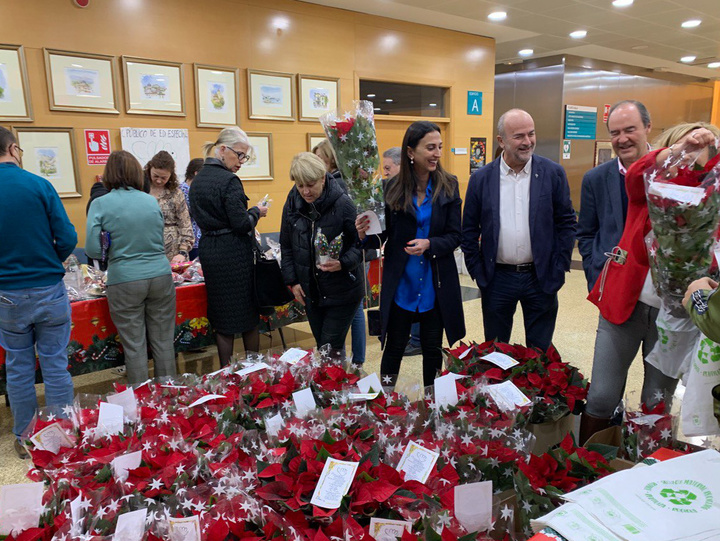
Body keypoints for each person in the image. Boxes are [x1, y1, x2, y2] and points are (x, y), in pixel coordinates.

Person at [582, 122, 719, 442]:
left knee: (656, 402)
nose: (692, 156)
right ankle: (588, 468)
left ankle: (640, 470)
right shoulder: (648, 188)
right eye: (685, 149)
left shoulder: (710, 202)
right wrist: (676, 151)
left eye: (700, 151)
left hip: (675, 318)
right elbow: (633, 174)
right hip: (623, 307)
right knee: (601, 396)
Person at [357, 121, 465, 388]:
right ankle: (385, 402)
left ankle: (432, 402)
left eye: (439, 147)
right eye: (430, 147)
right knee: (393, 347)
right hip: (401, 283)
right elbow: (379, 236)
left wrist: (430, 243)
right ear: (410, 152)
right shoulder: (390, 188)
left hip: (435, 283)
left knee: (432, 348)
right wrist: (362, 233)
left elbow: (455, 235)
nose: (437, 153)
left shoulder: (449, 185)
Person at [461, 108, 576, 351]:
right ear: (501, 140)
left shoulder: (552, 173)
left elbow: (566, 222)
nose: (527, 142)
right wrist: (479, 274)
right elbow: (469, 230)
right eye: (519, 136)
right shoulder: (481, 179)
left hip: (541, 277)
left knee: (540, 350)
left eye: (531, 134)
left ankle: (535, 391)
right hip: (497, 279)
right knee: (496, 351)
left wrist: (559, 266)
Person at [0, 126, 77, 459]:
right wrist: (50, 262)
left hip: (7, 294)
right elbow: (69, 238)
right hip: (49, 289)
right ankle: (60, 438)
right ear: (14, 148)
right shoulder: (39, 185)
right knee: (55, 366)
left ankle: (24, 437)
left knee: (18, 368)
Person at [86, 151, 177, 385]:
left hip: (124, 279)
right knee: (163, 341)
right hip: (160, 275)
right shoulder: (150, 201)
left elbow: (93, 250)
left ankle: (143, 403)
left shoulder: (100, 204)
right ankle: (169, 397)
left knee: (135, 345)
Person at [189, 127, 269, 366]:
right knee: (247, 314)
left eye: (245, 157)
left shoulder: (198, 179)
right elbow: (241, 224)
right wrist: (257, 211)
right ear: (223, 150)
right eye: (240, 155)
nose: (242, 161)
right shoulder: (229, 181)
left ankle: (225, 371)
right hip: (234, 253)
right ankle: (253, 369)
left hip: (210, 251)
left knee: (221, 316)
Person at [280, 152, 363, 351]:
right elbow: (286, 245)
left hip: (343, 290)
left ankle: (338, 379)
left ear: (323, 178)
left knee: (329, 347)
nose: (305, 191)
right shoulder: (292, 204)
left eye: (311, 185)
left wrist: (343, 263)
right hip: (312, 292)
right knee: (325, 348)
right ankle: (339, 380)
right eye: (300, 186)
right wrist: (293, 281)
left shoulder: (344, 204)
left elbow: (363, 246)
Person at [578, 100, 652, 291]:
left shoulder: (668, 172)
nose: (622, 139)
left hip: (657, 289)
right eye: (615, 133)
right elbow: (586, 232)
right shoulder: (595, 179)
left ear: (648, 127)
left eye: (630, 130)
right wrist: (593, 270)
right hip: (612, 285)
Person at [312, 139, 365, 363]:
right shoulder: (349, 181)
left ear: (330, 159)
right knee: (355, 312)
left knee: (353, 311)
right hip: (348, 257)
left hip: (345, 259)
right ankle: (357, 360)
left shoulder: (338, 187)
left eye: (319, 158)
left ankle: (354, 361)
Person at [383, 147, 420, 356]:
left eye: (388, 168)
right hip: (398, 267)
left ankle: (417, 340)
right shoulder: (388, 192)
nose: (386, 173)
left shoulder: (420, 192)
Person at [145, 151, 194, 266]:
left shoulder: (176, 193)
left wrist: (182, 252)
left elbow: (185, 225)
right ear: (149, 170)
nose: (158, 180)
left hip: (174, 255)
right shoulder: (141, 190)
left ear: (171, 175)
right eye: (155, 176)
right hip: (147, 251)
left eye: (164, 178)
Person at [179, 158, 205, 260]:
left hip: (198, 239)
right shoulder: (183, 190)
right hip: (191, 241)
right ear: (196, 173)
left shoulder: (193, 190)